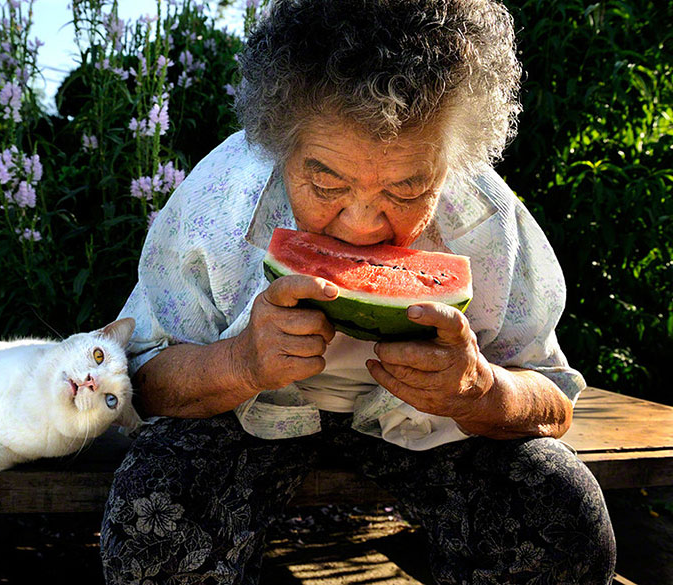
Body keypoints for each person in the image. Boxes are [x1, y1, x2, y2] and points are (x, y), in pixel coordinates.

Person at [101, 0, 616, 583]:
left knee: (560, 514)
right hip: (241, 417)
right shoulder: (219, 203)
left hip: (433, 430)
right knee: (154, 516)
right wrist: (239, 362)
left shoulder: (488, 222)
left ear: (454, 163)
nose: (362, 225)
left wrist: (482, 391)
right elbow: (139, 381)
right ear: (276, 143)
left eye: (407, 187)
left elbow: (554, 401)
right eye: (326, 182)